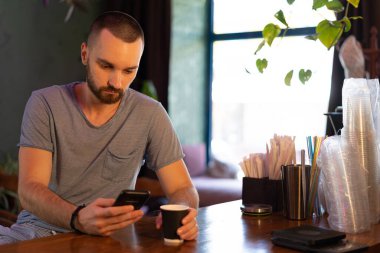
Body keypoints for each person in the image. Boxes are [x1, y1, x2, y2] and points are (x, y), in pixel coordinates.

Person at [0, 11, 199, 244]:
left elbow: (183, 188)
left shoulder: (150, 113)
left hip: (110, 241)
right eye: (106, 66)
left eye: (128, 71)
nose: (117, 83)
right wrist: (78, 218)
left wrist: (183, 212)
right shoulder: (45, 104)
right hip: (37, 234)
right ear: (85, 54)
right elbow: (29, 190)